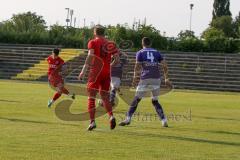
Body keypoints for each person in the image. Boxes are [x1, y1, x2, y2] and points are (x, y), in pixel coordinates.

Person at [119, 37, 171, 127]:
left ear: (142, 44)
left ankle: (127, 119)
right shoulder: (156, 52)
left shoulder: (140, 53)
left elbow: (137, 66)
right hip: (156, 78)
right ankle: (163, 120)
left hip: (145, 78)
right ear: (150, 44)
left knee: (136, 100)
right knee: (155, 101)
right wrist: (166, 78)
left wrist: (135, 78)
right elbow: (165, 65)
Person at [78, 25, 120, 131]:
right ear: (103, 32)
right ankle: (111, 116)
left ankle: (92, 122)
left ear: (95, 32)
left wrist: (83, 71)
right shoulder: (111, 44)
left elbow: (90, 56)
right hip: (107, 72)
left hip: (95, 72)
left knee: (91, 97)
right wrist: (109, 66)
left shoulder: (92, 42)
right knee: (105, 97)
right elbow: (117, 59)